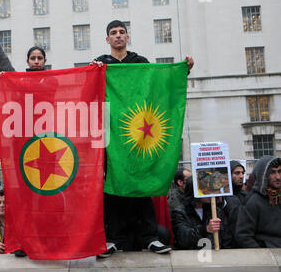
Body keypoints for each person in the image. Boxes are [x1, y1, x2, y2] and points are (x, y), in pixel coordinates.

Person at [95, 20, 194, 257]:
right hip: (113, 135)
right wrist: (93, 72)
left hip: (138, 135)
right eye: (113, 33)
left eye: (122, 32)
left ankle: (150, 237)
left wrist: (183, 70)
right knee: (113, 186)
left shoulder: (141, 62)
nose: (118, 36)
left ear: (127, 37)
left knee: (141, 184)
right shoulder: (101, 63)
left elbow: (158, 87)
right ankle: (112, 240)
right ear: (107, 40)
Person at [171, 177, 233, 250]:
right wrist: (205, 229)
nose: (210, 193)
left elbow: (226, 238)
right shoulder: (180, 212)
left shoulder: (216, 211)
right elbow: (183, 238)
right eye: (205, 190)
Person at [235, 156, 281, 248]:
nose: (278, 177)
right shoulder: (253, 201)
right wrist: (263, 255)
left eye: (280, 171)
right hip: (267, 256)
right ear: (263, 175)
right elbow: (243, 236)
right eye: (272, 172)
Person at [0, 6, 47, 72]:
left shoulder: (53, 80)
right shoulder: (19, 80)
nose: (36, 62)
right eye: (33, 58)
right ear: (27, 61)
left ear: (44, 61)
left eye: (39, 58)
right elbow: (2, 62)